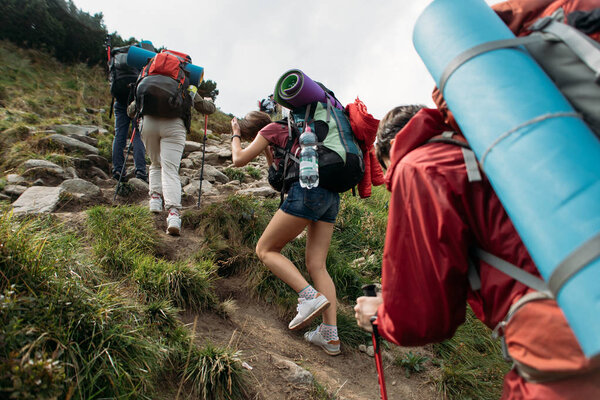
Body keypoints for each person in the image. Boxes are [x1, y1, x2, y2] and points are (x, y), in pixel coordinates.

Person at [354, 99, 600, 398]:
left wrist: (382, 317)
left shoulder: (417, 165)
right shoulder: (484, 150)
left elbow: (422, 319)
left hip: (559, 337)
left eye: (387, 168)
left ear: (393, 147)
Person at [230, 111, 342, 356]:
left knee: (265, 249)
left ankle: (308, 296)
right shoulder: (294, 132)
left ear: (254, 130)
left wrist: (236, 135)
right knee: (317, 265)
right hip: (330, 196)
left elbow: (238, 159)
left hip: (306, 192)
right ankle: (330, 336)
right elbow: (277, 179)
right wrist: (269, 153)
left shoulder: (271, 130)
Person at [128, 92, 216, 235]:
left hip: (149, 123)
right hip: (174, 124)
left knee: (155, 162)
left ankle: (155, 200)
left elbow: (131, 110)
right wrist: (209, 102)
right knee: (170, 169)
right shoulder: (185, 79)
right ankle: (173, 215)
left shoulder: (147, 75)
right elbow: (207, 108)